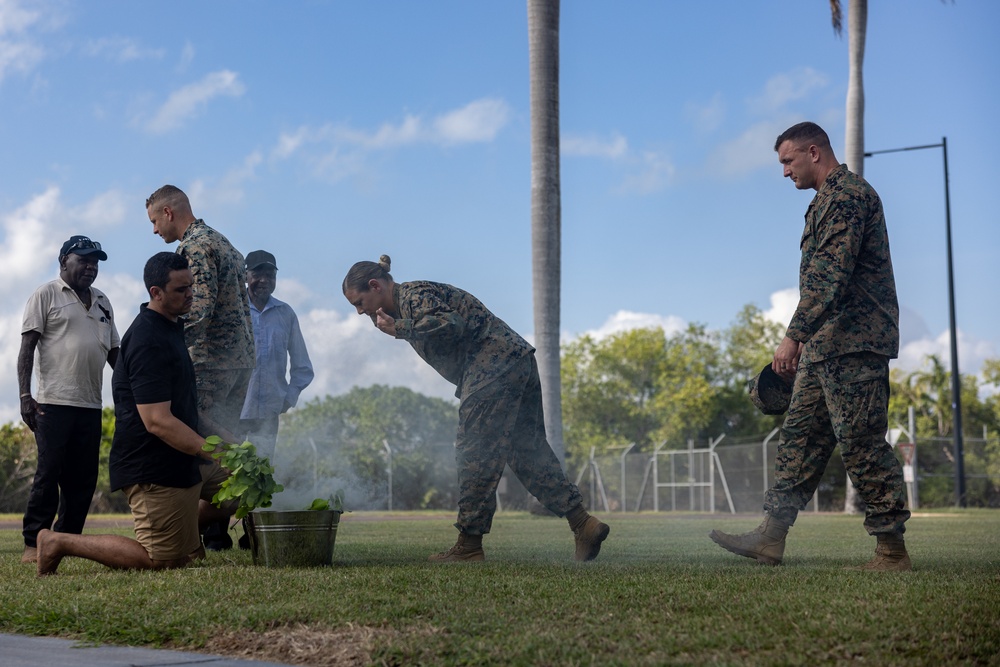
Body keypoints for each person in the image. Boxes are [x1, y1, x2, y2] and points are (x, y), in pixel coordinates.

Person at [709, 121, 911, 571]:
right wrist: (806, 341)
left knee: (860, 443)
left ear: (814, 152)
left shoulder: (848, 196)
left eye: (787, 160)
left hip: (856, 344)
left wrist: (792, 336)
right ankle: (770, 537)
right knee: (799, 441)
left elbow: (830, 277)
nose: (784, 172)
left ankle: (892, 551)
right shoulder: (823, 202)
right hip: (824, 347)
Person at [342, 255, 610, 563]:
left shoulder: (413, 296)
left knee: (475, 453)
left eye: (359, 302)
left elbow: (449, 324)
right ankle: (582, 523)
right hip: (515, 360)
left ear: (375, 285)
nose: (360, 311)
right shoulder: (411, 300)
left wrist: (400, 328)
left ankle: (469, 546)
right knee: (526, 451)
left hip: (491, 367)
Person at [36, 253, 236, 576]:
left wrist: (230, 444)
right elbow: (157, 421)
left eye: (191, 286)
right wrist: (214, 451)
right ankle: (59, 541)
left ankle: (181, 533)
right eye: (181, 289)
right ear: (156, 293)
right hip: (153, 467)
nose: (191, 294)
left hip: (184, 459)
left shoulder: (172, 327)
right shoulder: (147, 340)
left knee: (242, 482)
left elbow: (185, 410)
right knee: (160, 562)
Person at [146, 185, 254, 550]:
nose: (154, 231)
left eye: (154, 221)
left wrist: (162, 342)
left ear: (169, 213)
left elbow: (198, 308)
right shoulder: (224, 242)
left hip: (209, 361)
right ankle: (222, 529)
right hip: (239, 361)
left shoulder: (194, 247)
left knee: (197, 445)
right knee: (228, 452)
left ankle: (183, 530)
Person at [18, 235, 120, 565]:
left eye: (96, 262)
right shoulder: (46, 294)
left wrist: (134, 393)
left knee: (83, 480)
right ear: (64, 260)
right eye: (84, 259)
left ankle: (63, 540)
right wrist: (24, 396)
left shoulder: (103, 301)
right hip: (52, 403)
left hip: (90, 404)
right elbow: (27, 348)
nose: (91, 267)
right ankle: (34, 543)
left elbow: (116, 355)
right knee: (48, 475)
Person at [239, 249, 314, 461]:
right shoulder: (235, 309)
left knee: (259, 478)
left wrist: (288, 398)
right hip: (234, 411)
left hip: (268, 415)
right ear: (246, 276)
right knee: (225, 477)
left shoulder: (285, 313)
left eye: (270, 275)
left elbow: (303, 366)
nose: (264, 280)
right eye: (257, 274)